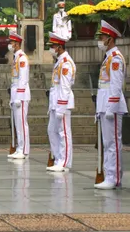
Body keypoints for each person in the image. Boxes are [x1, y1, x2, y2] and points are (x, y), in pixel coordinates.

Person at [95, 19, 127, 190]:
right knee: (108, 143)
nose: (100, 40)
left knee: (113, 143)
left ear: (110, 38)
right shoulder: (109, 57)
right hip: (104, 103)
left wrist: (111, 107)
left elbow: (116, 85)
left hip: (111, 106)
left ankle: (113, 177)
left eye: (103, 36)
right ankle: (110, 175)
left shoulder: (115, 59)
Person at [46, 32, 76, 172]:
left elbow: (65, 86)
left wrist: (61, 107)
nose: (51, 49)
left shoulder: (66, 63)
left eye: (52, 46)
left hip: (62, 103)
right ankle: (58, 158)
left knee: (63, 132)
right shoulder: (59, 62)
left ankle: (64, 162)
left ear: (59, 47)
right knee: (52, 131)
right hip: (55, 102)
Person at [8, 32, 30, 160]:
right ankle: (19, 147)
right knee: (18, 123)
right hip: (16, 93)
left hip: (21, 95)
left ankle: (24, 149)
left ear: (17, 44)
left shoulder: (22, 58)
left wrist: (19, 96)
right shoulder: (16, 57)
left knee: (22, 123)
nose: (9, 45)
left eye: (11, 43)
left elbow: (23, 78)